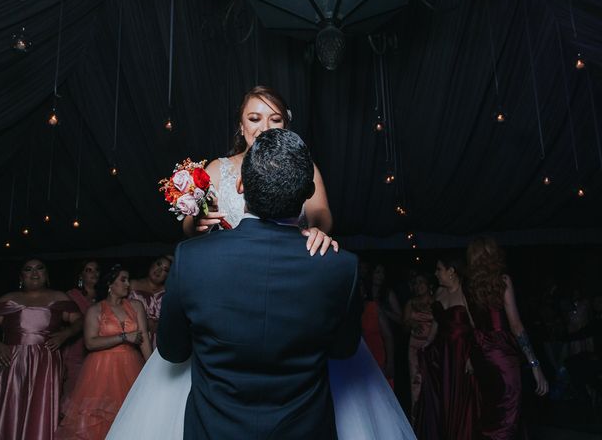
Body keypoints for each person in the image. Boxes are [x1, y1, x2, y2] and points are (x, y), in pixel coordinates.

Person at [108, 130, 415, 439]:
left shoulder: (192, 259)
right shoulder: (341, 267)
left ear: (241, 186)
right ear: (309, 191)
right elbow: (343, 350)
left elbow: (173, 351)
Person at [182, 85, 335, 255]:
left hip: (287, 259)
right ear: (241, 126)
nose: (265, 128)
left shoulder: (303, 166)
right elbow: (190, 227)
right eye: (255, 119)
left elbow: (321, 213)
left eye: (275, 119)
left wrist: (316, 231)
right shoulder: (218, 169)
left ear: (284, 125)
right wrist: (199, 222)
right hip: (230, 262)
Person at [0, 259, 82, 440]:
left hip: (45, 364)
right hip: (12, 363)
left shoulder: (59, 298)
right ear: (21, 276)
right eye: (28, 269)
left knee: (42, 408)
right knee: (10, 409)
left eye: (40, 268)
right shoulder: (9, 299)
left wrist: (66, 333)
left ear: (47, 275)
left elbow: (80, 321)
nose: (34, 273)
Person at [465, 237, 549, 439]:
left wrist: (470, 357)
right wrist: (535, 364)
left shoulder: (468, 286)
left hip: (481, 352)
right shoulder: (502, 281)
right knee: (508, 414)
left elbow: (472, 324)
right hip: (501, 353)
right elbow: (516, 325)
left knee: (492, 411)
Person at [56, 265, 151, 440]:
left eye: (128, 279)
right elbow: (90, 342)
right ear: (110, 283)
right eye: (123, 279)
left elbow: (143, 337)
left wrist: (151, 367)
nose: (128, 284)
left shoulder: (136, 306)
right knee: (100, 418)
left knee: (131, 414)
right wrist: (123, 337)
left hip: (131, 365)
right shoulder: (95, 310)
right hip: (101, 369)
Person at [414, 255, 478, 439]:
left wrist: (472, 356)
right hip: (443, 352)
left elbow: (476, 328)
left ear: (451, 272)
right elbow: (436, 323)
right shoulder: (440, 293)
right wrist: (427, 343)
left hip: (461, 352)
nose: (436, 273)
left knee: (460, 398)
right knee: (442, 397)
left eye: (439, 269)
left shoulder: (466, 294)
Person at [62, 260, 100, 407]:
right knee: (73, 393)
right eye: (88, 270)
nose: (94, 273)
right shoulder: (71, 296)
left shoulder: (104, 296)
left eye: (96, 270)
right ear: (81, 275)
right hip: (75, 348)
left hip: (97, 349)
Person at [402, 273, 434, 419]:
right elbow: (404, 325)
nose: (419, 285)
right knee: (416, 381)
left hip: (432, 346)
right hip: (414, 347)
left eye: (422, 282)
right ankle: (417, 420)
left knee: (432, 382)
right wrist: (412, 323)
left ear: (428, 284)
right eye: (416, 283)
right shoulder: (411, 303)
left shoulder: (436, 301)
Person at [128, 255, 172, 347]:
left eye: (165, 270)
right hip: (137, 340)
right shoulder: (132, 285)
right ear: (152, 263)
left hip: (162, 342)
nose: (159, 271)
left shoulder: (169, 291)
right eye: (158, 264)